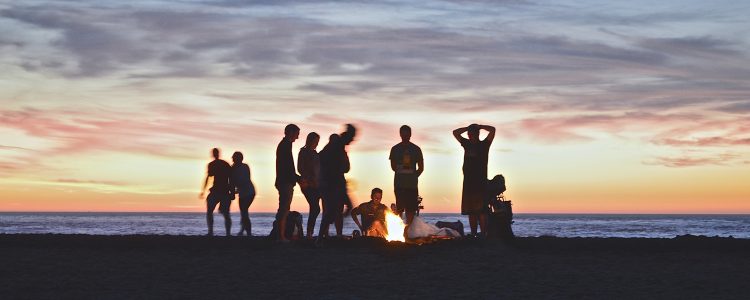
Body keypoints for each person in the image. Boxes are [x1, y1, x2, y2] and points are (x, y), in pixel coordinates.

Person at [453, 123, 495, 237]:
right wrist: (467, 128)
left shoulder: (484, 144)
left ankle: (483, 234)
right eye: (469, 134)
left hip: (480, 182)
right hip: (468, 183)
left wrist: (480, 126)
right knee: (471, 211)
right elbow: (455, 132)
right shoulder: (466, 144)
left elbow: (492, 130)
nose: (470, 135)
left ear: (477, 134)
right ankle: (473, 233)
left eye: (472, 133)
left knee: (482, 211)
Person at [318, 124, 356, 239]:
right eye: (352, 137)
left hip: (337, 183)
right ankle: (321, 236)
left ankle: (333, 232)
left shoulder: (340, 147)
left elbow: (346, 168)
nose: (353, 140)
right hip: (332, 184)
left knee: (341, 209)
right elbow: (343, 167)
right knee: (331, 211)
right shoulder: (336, 145)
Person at [389, 125, 423, 225]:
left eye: (407, 134)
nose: (405, 136)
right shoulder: (395, 149)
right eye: (403, 134)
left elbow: (421, 168)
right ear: (400, 134)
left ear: (410, 134)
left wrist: (413, 176)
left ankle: (408, 230)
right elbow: (393, 167)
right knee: (399, 208)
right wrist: (403, 171)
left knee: (411, 209)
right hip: (399, 184)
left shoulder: (416, 149)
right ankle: (400, 229)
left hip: (411, 185)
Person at [275, 124, 301, 242]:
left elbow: (288, 167)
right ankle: (281, 236)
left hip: (285, 181)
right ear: (290, 132)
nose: (297, 137)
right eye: (296, 134)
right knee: (284, 209)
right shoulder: (285, 145)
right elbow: (287, 167)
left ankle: (280, 234)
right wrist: (298, 179)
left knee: (284, 208)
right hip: (285, 181)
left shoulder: (286, 145)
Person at [199, 148, 232, 236]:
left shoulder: (224, 164)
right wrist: (203, 190)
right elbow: (208, 177)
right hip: (217, 191)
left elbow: (231, 178)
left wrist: (232, 191)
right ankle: (211, 232)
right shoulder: (213, 164)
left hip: (223, 191)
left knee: (225, 213)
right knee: (211, 211)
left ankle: (226, 233)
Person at [298, 132, 321, 239]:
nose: (316, 143)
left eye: (317, 142)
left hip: (317, 184)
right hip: (307, 184)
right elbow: (300, 168)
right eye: (315, 141)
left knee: (314, 208)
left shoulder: (316, 154)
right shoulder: (303, 152)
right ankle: (309, 233)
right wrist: (309, 179)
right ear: (310, 140)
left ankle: (309, 233)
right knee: (315, 208)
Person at [230, 151, 256, 236]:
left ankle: (248, 233)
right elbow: (233, 182)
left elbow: (244, 180)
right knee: (243, 212)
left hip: (249, 192)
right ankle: (242, 230)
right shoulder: (232, 169)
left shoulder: (245, 167)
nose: (232, 159)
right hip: (242, 194)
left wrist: (234, 192)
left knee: (244, 211)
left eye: (234, 157)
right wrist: (233, 191)